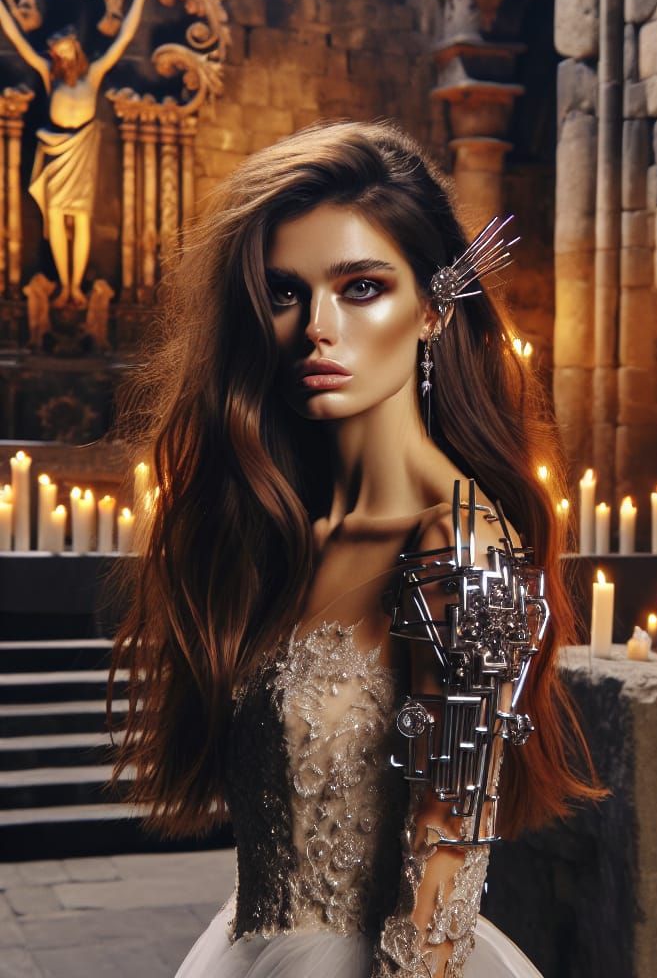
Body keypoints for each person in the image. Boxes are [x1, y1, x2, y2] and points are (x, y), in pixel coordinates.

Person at [105, 119, 606, 976]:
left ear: (435, 306)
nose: (317, 329)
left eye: (362, 286)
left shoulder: (463, 545)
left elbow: (450, 863)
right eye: (285, 293)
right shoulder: (285, 529)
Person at [0, 0, 157, 306]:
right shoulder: (48, 75)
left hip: (82, 149)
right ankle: (64, 284)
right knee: (55, 216)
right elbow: (18, 41)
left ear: (76, 49)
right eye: (58, 49)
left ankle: (75, 285)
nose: (62, 53)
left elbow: (124, 39)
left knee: (81, 217)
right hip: (55, 150)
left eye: (66, 47)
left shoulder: (94, 75)